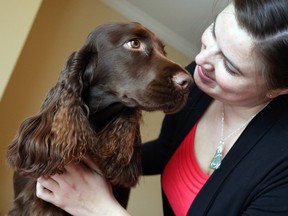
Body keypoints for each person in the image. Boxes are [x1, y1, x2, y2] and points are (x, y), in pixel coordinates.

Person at [36, 0, 288, 215]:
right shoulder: (200, 80)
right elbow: (167, 149)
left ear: (277, 90)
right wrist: (86, 162)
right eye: (213, 33)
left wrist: (100, 207)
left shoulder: (281, 171)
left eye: (230, 66)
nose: (201, 59)